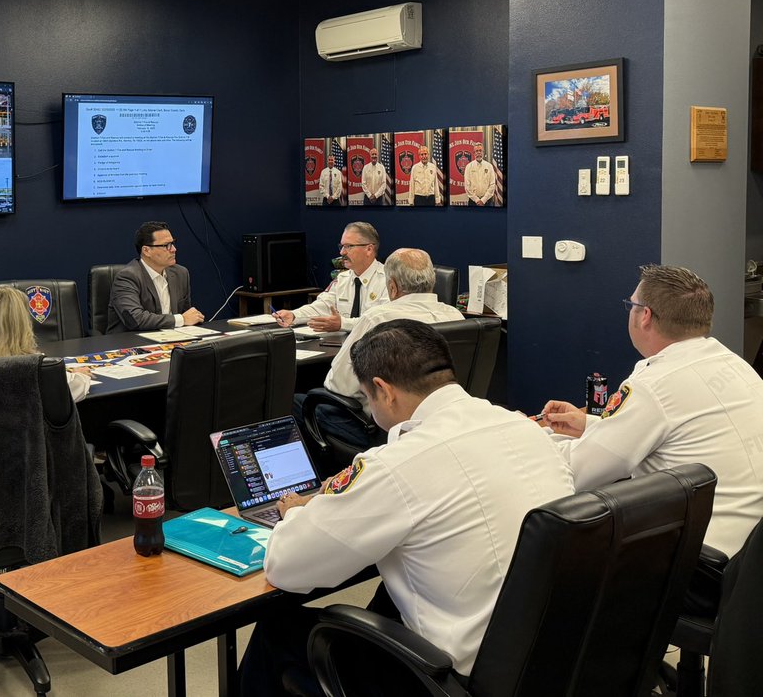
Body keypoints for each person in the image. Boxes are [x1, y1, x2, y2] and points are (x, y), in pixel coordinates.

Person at [240, 320, 573, 695]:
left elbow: (287, 566)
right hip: (549, 659)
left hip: (455, 679)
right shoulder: (524, 429)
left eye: (367, 397)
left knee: (276, 631)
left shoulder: (400, 462)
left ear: (383, 390)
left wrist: (296, 513)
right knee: (388, 594)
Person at [540, 264, 763, 559]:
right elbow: (678, 430)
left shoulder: (655, 385)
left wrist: (527, 437)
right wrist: (592, 424)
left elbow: (577, 473)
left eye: (631, 305)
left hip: (701, 561)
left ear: (644, 315)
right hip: (747, 554)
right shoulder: (734, 364)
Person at [296, 247, 464, 449]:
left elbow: (339, 385)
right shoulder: (455, 316)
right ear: (432, 281)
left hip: (386, 431)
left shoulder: (379, 319)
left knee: (299, 403)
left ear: (392, 287)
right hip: (447, 423)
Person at [0, 285, 94, 401]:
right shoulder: (40, 370)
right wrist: (81, 376)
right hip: (30, 444)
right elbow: (71, 391)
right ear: (22, 325)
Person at [273, 223, 387, 333]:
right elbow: (322, 306)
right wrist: (293, 315)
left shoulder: (387, 280)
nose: (342, 252)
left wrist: (342, 324)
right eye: (342, 246)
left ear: (369, 249)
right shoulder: (342, 279)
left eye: (349, 246)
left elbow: (380, 321)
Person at [106, 221, 203, 333]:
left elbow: (187, 316)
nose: (173, 249)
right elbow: (135, 319)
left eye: (173, 243)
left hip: (172, 338)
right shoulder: (127, 277)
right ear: (146, 251)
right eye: (166, 245)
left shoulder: (180, 273)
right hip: (132, 343)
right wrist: (181, 319)